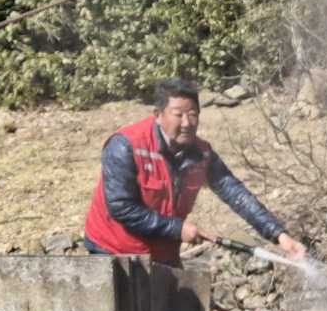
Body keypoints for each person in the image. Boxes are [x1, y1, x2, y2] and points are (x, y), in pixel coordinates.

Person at [84, 78, 306, 264]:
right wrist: (176, 229)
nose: (187, 123)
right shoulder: (126, 145)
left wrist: (279, 236)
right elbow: (121, 207)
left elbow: (235, 193)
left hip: (161, 254)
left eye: (193, 114)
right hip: (112, 251)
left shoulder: (202, 154)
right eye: (178, 114)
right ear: (158, 115)